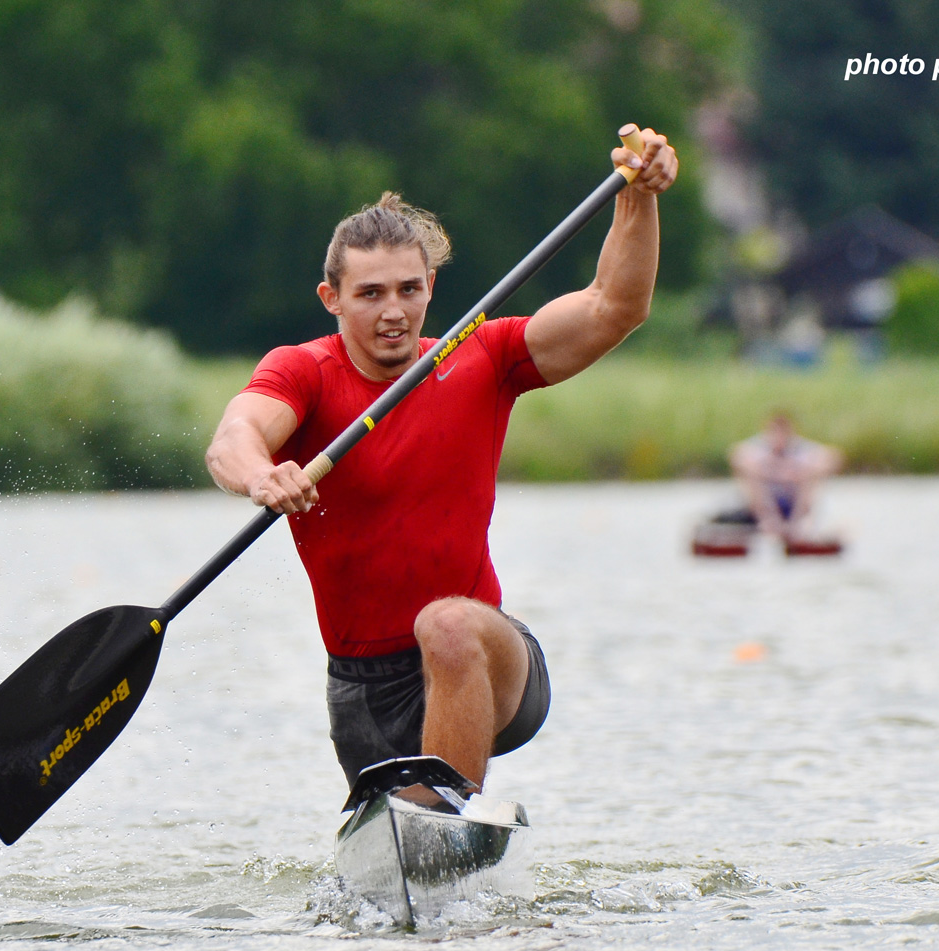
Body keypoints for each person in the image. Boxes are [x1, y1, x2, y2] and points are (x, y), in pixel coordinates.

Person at [204, 126, 678, 797]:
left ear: (429, 285)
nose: (393, 311)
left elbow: (614, 307)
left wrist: (640, 195)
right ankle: (428, 834)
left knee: (446, 624)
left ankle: (446, 822)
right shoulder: (302, 372)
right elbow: (234, 436)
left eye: (408, 289)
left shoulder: (485, 355)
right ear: (331, 298)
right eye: (370, 294)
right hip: (365, 689)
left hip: (486, 659)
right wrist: (263, 474)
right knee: (391, 884)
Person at [727, 412, 843, 541]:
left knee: (811, 475)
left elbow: (833, 457)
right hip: (766, 504)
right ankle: (768, 520)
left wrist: (798, 471)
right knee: (750, 475)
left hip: (794, 504)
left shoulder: (799, 448)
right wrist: (774, 472)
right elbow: (736, 455)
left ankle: (799, 524)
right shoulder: (759, 447)